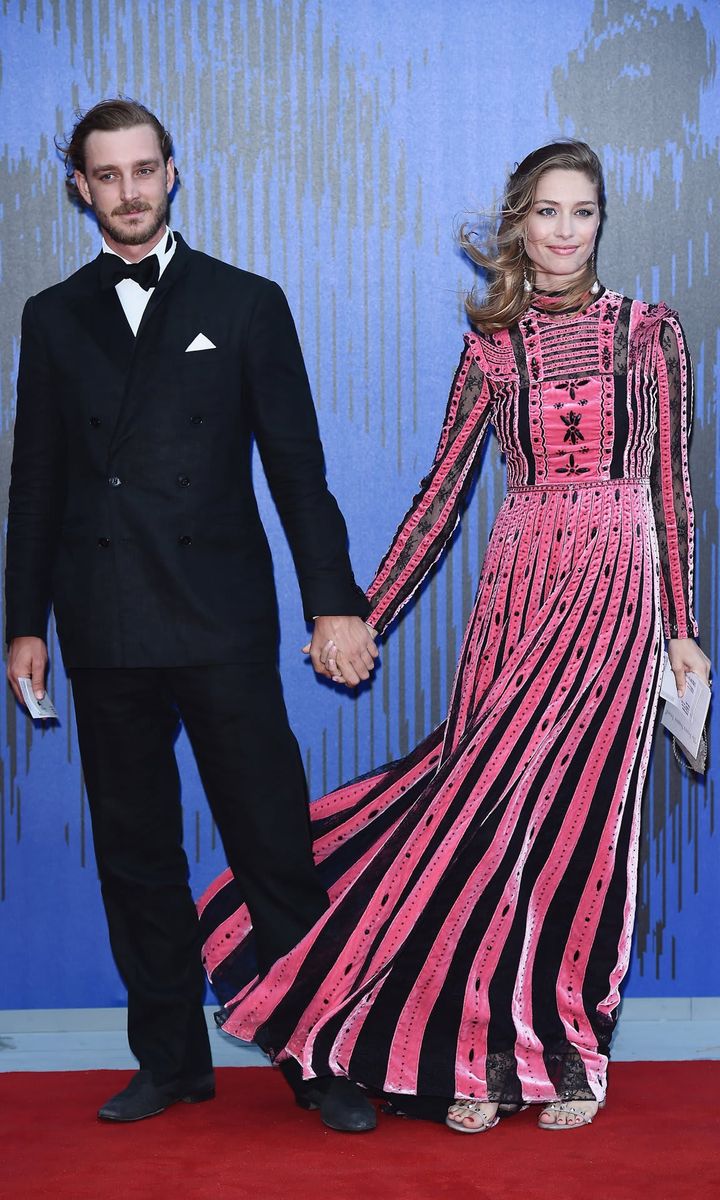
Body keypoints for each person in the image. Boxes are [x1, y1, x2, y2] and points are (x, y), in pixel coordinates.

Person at [198, 139, 710, 1132]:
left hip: (621, 599)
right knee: (482, 814)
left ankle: (565, 1055)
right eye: (549, 211)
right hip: (518, 593)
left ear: (602, 222)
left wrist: (684, 632)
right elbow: (439, 501)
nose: (566, 231)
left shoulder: (653, 333)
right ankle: (468, 1052)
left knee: (581, 828)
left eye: (584, 211)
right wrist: (362, 612)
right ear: (521, 221)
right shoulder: (490, 347)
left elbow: (673, 490)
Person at [4, 98, 379, 1131]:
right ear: (81, 188)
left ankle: (322, 1060)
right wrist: (22, 621)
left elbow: (298, 472)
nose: (127, 190)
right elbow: (34, 479)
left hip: (220, 618)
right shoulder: (52, 315)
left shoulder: (245, 301)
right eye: (105, 174)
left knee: (271, 843)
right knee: (135, 852)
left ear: (174, 173)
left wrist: (335, 602)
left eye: (143, 169)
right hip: (104, 618)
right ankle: (170, 1060)